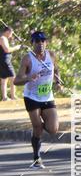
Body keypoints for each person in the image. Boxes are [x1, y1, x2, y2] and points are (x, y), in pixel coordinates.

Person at [14, 30, 61, 167]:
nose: (40, 44)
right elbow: (17, 81)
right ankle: (36, 157)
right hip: (32, 97)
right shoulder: (27, 59)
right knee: (37, 127)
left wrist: (58, 82)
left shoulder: (51, 55)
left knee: (53, 129)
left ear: (46, 43)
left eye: (43, 41)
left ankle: (38, 130)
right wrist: (29, 78)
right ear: (32, 43)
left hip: (47, 96)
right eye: (37, 41)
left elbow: (56, 69)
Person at [0, 26, 20, 102]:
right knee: (13, 78)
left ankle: (5, 97)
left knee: (4, 79)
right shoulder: (3, 38)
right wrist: (16, 47)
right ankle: (13, 96)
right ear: (7, 32)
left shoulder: (3, 38)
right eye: (11, 33)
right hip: (5, 61)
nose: (11, 35)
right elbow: (7, 50)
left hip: (3, 61)